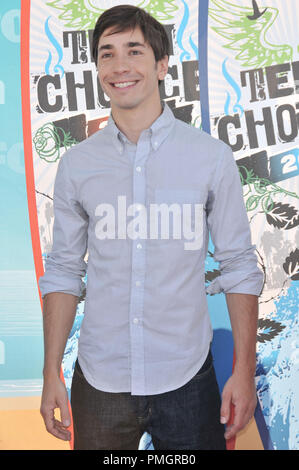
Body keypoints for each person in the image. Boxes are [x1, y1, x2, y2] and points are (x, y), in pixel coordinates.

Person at [39, 4, 264, 450]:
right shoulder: (77, 165)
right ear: (97, 67)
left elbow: (239, 265)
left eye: (134, 51)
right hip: (100, 381)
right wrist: (50, 374)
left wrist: (242, 372)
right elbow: (64, 271)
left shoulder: (210, 157)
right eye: (107, 54)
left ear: (162, 65)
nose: (119, 66)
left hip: (188, 380)